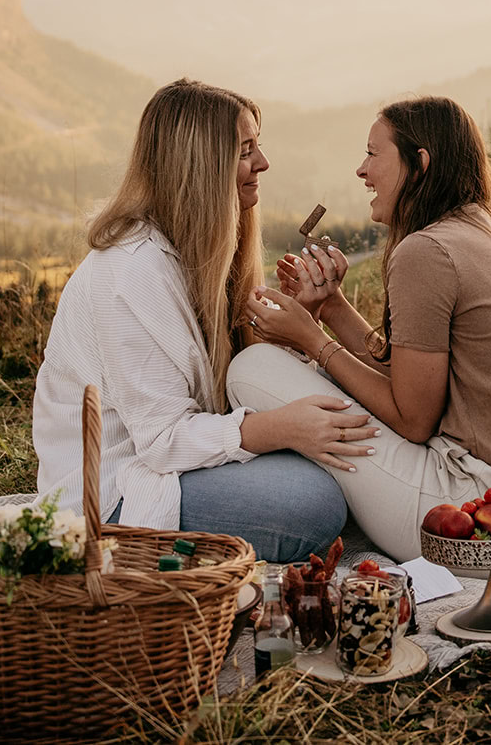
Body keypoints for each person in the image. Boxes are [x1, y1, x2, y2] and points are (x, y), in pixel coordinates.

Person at [231, 96, 491, 562]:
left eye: (373, 154)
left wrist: (311, 339)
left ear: (419, 163)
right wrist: (329, 306)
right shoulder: (488, 231)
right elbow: (413, 376)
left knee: (253, 367)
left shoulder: (425, 252)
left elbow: (413, 419)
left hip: (473, 512)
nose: (361, 171)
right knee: (323, 376)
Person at [32, 79, 373, 562]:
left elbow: (231, 380)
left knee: (330, 469)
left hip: (168, 466)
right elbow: (161, 442)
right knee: (311, 503)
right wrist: (281, 429)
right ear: (201, 165)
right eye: (245, 151)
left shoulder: (200, 250)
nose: (263, 164)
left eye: (259, 146)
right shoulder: (132, 275)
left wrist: (307, 316)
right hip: (113, 495)